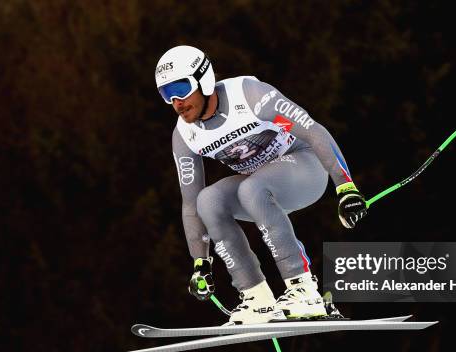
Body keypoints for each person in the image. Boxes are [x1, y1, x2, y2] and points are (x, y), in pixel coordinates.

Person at [156, 45, 367, 325]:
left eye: (181, 88)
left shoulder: (250, 95)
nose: (177, 102)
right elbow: (190, 204)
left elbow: (314, 130)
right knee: (208, 200)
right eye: (167, 94)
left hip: (304, 168)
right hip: (259, 188)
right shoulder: (185, 135)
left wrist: (346, 187)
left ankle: (304, 291)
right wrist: (200, 263)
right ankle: (257, 298)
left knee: (250, 188)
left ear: (203, 79)